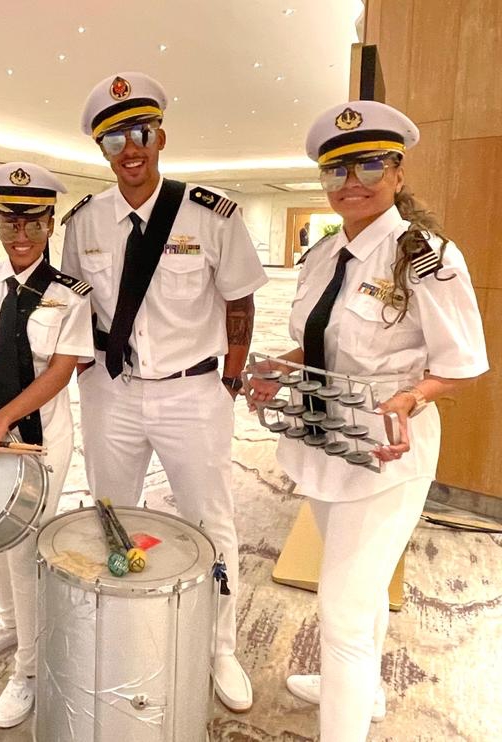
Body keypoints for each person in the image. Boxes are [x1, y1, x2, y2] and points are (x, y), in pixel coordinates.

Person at [247, 101, 488, 741]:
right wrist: (279, 366)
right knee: (364, 584)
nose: (351, 182)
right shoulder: (325, 254)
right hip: (327, 440)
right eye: (336, 170)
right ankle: (365, 691)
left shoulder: (426, 258)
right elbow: (322, 343)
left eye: (369, 165)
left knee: (343, 613)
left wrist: (410, 398)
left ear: (398, 173)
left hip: (387, 453)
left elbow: (462, 364)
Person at [59, 72, 267, 711]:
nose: (130, 149)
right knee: (110, 513)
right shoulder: (84, 221)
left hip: (192, 393)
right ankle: (119, 627)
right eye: (114, 138)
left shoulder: (211, 214)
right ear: (101, 149)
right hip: (112, 393)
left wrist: (230, 378)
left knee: (210, 520)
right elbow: (72, 305)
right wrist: (86, 372)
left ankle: (220, 646)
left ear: (161, 137)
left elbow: (240, 302)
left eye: (141, 133)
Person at [0, 163, 94, 727]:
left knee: (25, 548)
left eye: (33, 222)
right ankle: (8, 623)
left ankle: (29, 669)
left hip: (38, 438)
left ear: (50, 223)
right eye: (10, 221)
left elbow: (60, 372)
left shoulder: (70, 296)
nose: (21, 234)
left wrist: (0, 422)